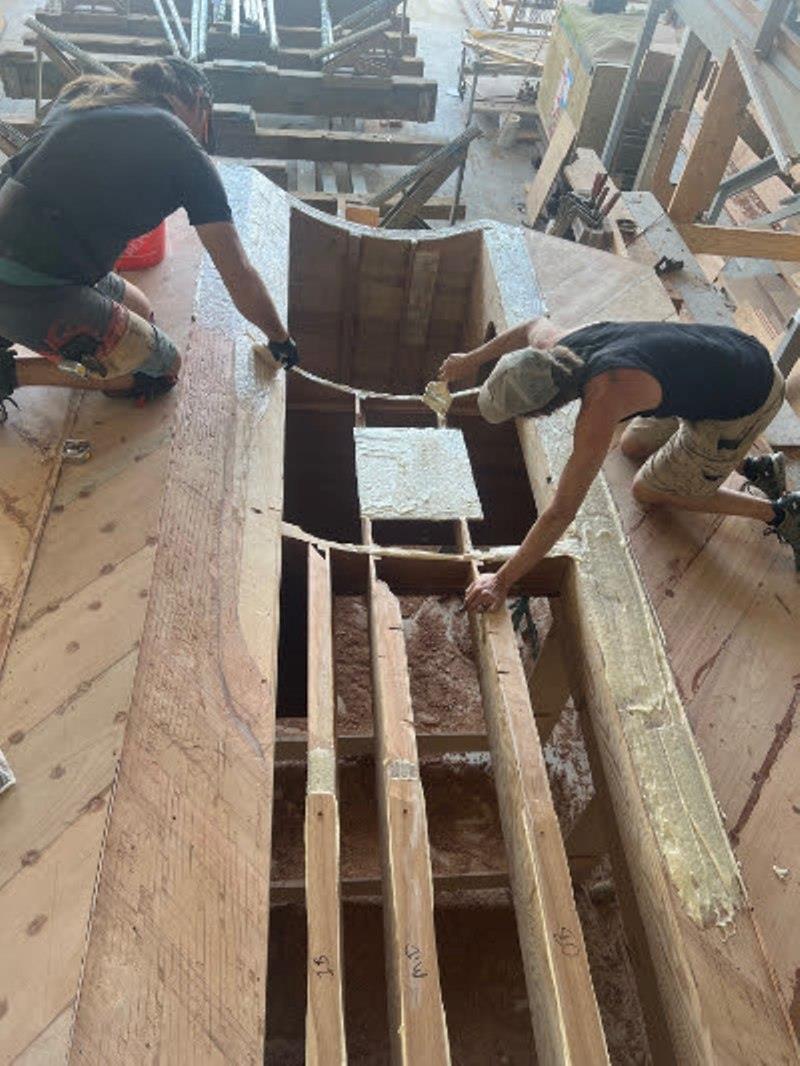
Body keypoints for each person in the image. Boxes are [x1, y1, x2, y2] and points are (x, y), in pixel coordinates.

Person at [0, 56, 297, 420]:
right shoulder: (180, 147)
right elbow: (238, 273)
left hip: (37, 254)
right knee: (160, 367)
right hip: (28, 282)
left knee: (140, 311)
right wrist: (280, 339)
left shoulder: (92, 95)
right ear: (199, 100)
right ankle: (8, 374)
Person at [438, 317, 800, 611]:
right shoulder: (557, 347)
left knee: (647, 490)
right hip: (728, 355)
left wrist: (501, 580)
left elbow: (561, 513)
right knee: (631, 445)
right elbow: (526, 326)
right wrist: (468, 360)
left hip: (749, 395)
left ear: (540, 410)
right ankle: (746, 463)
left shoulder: (603, 401)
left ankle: (781, 512)